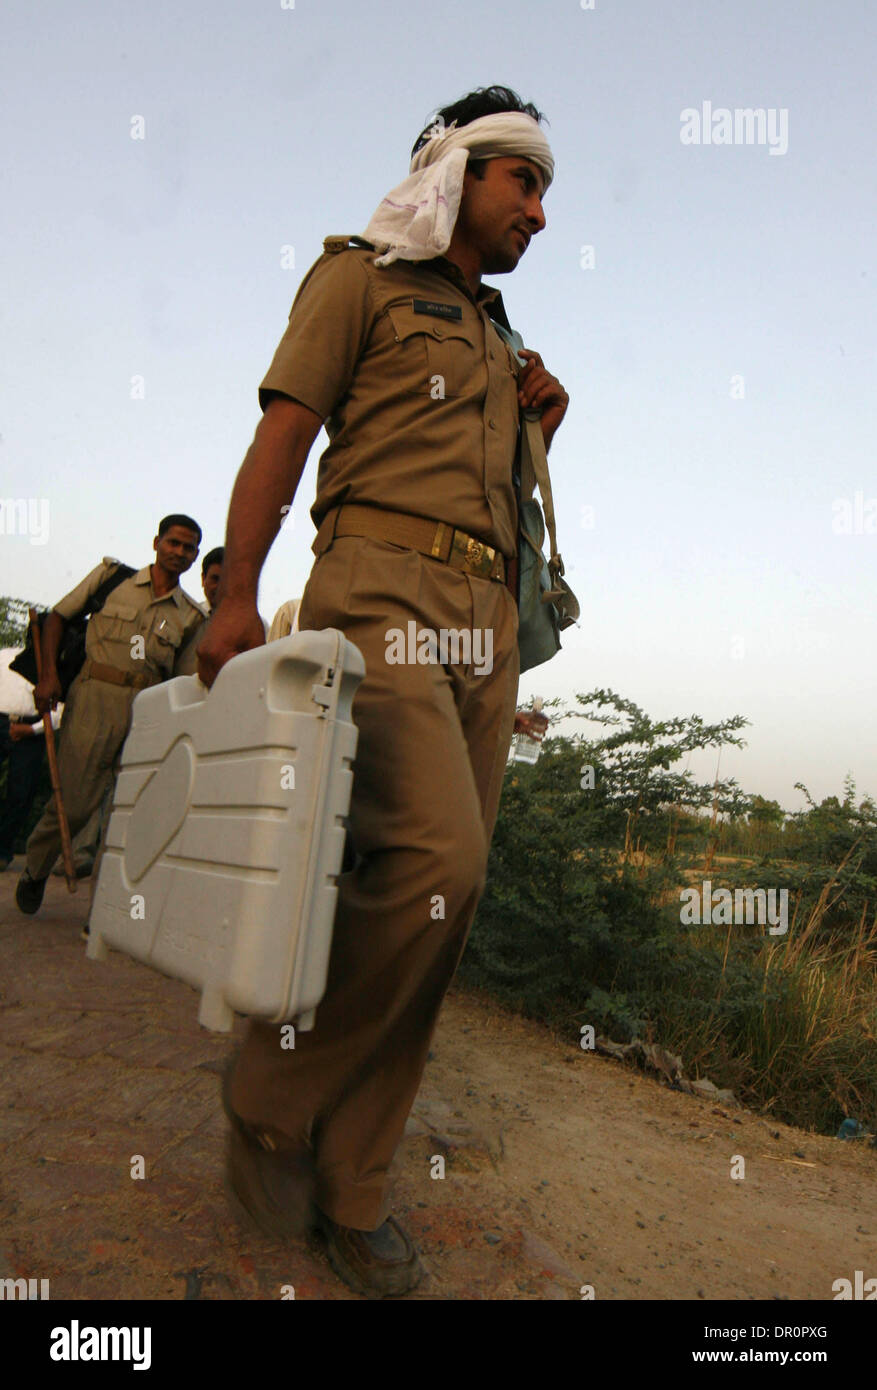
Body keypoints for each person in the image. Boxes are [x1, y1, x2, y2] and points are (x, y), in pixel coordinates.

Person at [198, 85, 569, 1299]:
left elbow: (494, 499)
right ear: (461, 173)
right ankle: (269, 1093)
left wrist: (543, 430)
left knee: (438, 911)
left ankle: (353, 1187)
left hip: (489, 621)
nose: (540, 214)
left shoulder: (506, 340)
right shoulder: (356, 279)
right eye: (526, 184)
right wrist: (236, 595)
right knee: (434, 863)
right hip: (382, 587)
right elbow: (285, 434)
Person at [15, 515, 206, 916]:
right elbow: (57, 618)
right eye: (173, 543)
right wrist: (48, 676)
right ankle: (34, 870)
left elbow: (183, 681)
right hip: (94, 698)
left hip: (148, 711)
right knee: (76, 802)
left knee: (130, 809)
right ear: (156, 542)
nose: (179, 553)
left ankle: (107, 903)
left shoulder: (191, 616)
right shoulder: (111, 578)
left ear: (195, 557)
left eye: (189, 548)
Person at [0, 647, 62, 870]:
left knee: (22, 791)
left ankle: (2, 849)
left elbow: (59, 712)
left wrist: (32, 729)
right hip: (0, 720)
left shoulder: (55, 668)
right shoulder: (4, 656)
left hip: (33, 727)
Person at [200, 546, 224, 614]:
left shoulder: (248, 622)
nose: (220, 586)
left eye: (226, 581)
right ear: (203, 579)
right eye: (215, 579)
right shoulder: (187, 618)